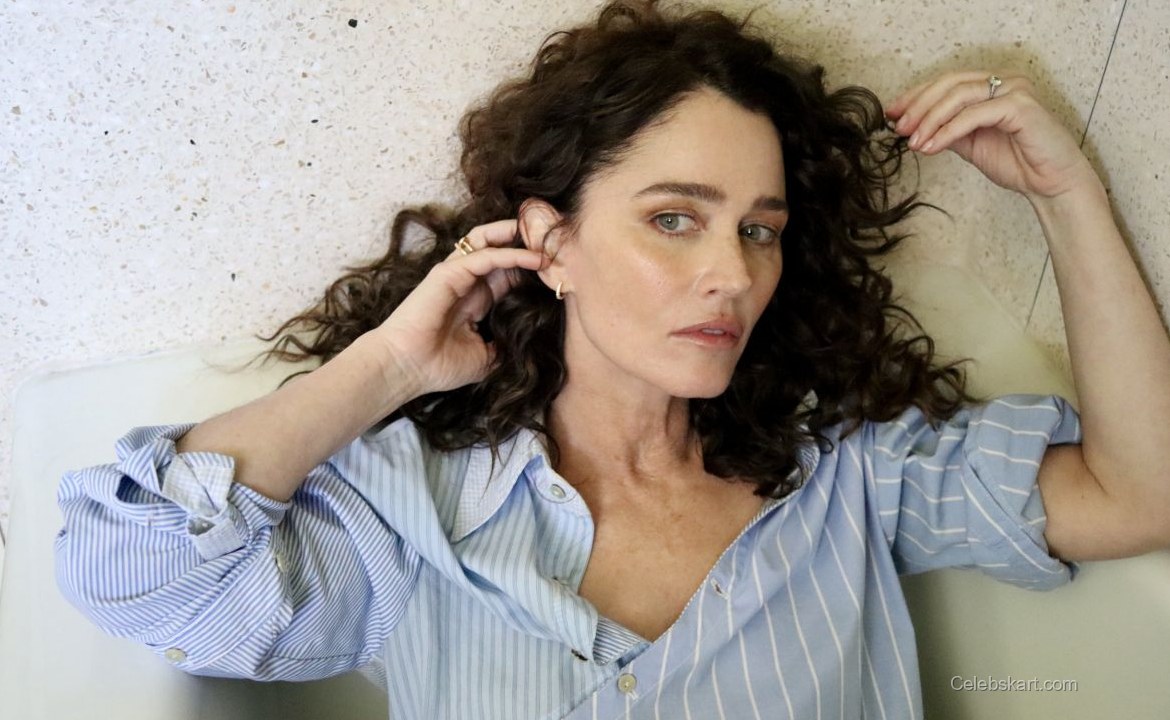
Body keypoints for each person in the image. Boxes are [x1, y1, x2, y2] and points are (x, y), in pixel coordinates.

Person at [53, 1, 1170, 718]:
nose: (732, 274)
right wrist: (388, 368)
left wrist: (1066, 195)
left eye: (760, 229)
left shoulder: (848, 473)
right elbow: (130, 568)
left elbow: (1142, 494)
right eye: (674, 219)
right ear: (552, 243)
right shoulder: (413, 512)